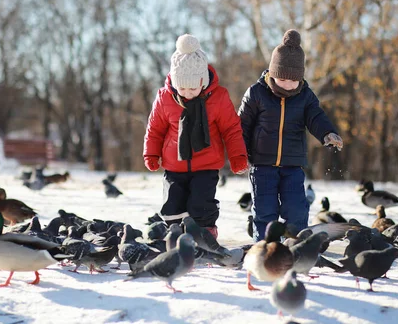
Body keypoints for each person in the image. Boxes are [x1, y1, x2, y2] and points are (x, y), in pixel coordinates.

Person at [238, 29, 343, 241]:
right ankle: (265, 247)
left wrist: (328, 133)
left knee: (296, 209)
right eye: (282, 79)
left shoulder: (305, 96)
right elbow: (241, 125)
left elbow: (316, 117)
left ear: (300, 78)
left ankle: (295, 244)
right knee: (265, 211)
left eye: (293, 80)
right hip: (262, 164)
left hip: (293, 165)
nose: (287, 85)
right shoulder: (257, 93)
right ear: (273, 72)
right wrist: (240, 154)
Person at [143, 34, 248, 239]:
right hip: (174, 164)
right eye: (182, 87)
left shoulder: (218, 97)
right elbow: (154, 128)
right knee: (173, 204)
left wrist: (237, 157)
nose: (187, 93)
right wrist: (151, 154)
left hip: (207, 164)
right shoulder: (165, 98)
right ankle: (175, 235)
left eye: (193, 87)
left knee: (201, 204)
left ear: (203, 80)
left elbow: (232, 129)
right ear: (174, 81)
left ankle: (205, 235)